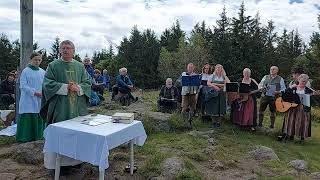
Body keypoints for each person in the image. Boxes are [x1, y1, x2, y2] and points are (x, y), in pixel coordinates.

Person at [41, 40, 91, 172]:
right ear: (60, 50)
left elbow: (87, 82)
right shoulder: (53, 65)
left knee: (77, 133)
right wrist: (65, 87)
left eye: (68, 48)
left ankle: (77, 161)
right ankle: (58, 165)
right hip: (60, 107)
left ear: (73, 51)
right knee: (61, 134)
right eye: (63, 48)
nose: (65, 50)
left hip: (77, 108)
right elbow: (47, 84)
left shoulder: (80, 66)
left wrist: (78, 88)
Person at [16, 52, 46, 142]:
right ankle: (24, 138)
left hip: (40, 99)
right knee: (28, 117)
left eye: (39, 60)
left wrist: (43, 93)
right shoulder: (26, 71)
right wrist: (35, 93)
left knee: (39, 115)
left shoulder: (42, 72)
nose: (37, 62)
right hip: (28, 99)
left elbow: (45, 84)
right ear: (31, 60)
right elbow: (23, 86)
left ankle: (38, 136)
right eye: (35, 60)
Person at [278, 74, 313, 143]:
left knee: (302, 121)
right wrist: (290, 88)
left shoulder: (308, 90)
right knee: (291, 121)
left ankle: (302, 138)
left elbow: (310, 101)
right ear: (298, 80)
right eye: (302, 81)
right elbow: (284, 94)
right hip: (292, 106)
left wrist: (310, 96)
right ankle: (291, 136)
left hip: (302, 108)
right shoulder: (294, 88)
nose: (304, 83)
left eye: (305, 82)